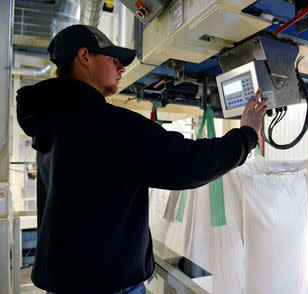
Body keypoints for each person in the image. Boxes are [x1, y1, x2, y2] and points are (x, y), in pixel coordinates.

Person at [16, 25, 268, 294]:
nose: (121, 69)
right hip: (105, 286)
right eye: (113, 60)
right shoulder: (105, 123)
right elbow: (185, 163)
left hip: (65, 281)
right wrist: (247, 135)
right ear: (84, 56)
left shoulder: (54, 123)